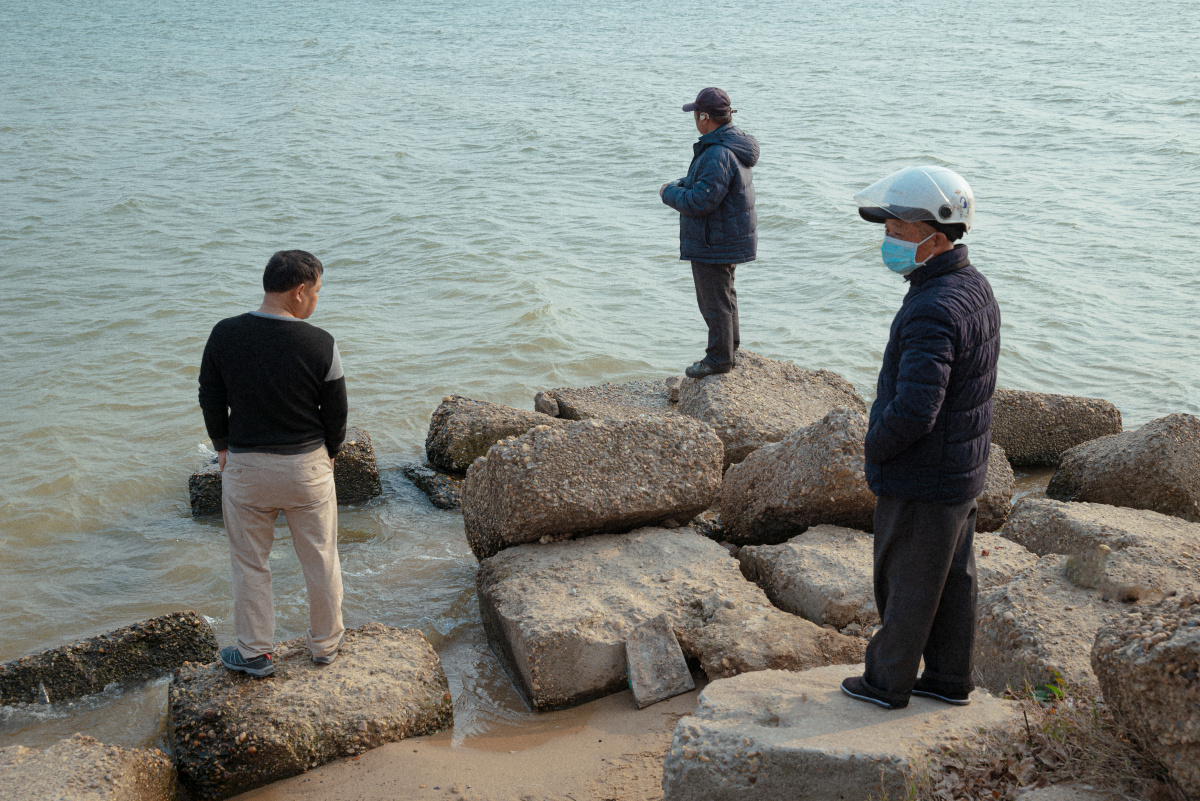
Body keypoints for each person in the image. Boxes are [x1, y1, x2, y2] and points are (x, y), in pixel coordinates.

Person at [841, 166, 1000, 710]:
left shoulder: (932, 307)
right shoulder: (973, 286)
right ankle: (949, 679)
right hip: (960, 467)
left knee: (905, 581)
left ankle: (887, 683)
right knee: (952, 579)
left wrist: (875, 447)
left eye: (897, 230)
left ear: (934, 236)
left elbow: (915, 409)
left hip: (923, 473)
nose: (888, 239)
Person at [198, 250, 348, 677]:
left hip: (246, 469)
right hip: (306, 468)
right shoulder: (321, 342)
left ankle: (254, 652)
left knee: (249, 563)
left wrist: (221, 446)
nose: (317, 299)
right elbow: (336, 409)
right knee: (320, 558)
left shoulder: (224, 333)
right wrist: (331, 451)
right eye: (317, 291)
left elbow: (209, 394)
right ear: (299, 292)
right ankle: (325, 645)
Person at [660, 87, 759, 379]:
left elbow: (700, 202)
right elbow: (710, 184)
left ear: (705, 117)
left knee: (713, 302)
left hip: (714, 240)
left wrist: (668, 193)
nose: (693, 118)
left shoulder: (717, 152)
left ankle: (718, 359)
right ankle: (729, 350)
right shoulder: (731, 143)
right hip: (727, 235)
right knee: (724, 296)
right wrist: (685, 182)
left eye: (695, 113)